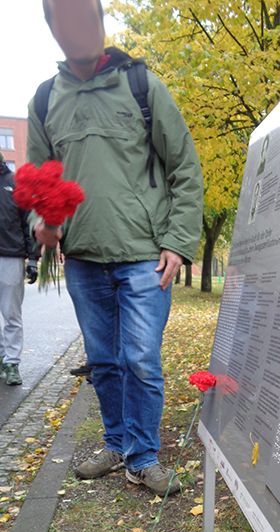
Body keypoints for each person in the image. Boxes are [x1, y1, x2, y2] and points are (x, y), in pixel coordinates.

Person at [28, 0, 203, 496]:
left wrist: (178, 242)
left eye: (85, 15)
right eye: (63, 19)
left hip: (147, 256)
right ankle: (116, 441)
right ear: (52, 29)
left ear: (101, 19)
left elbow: (185, 169)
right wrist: (44, 220)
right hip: (83, 260)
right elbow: (42, 180)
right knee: (104, 360)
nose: (76, 28)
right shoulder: (45, 100)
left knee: (141, 359)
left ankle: (142, 458)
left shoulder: (142, 86)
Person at [0, 152, 38, 387]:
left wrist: (33, 258)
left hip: (10, 256)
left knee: (11, 314)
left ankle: (12, 363)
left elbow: (28, 223)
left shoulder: (15, 183)